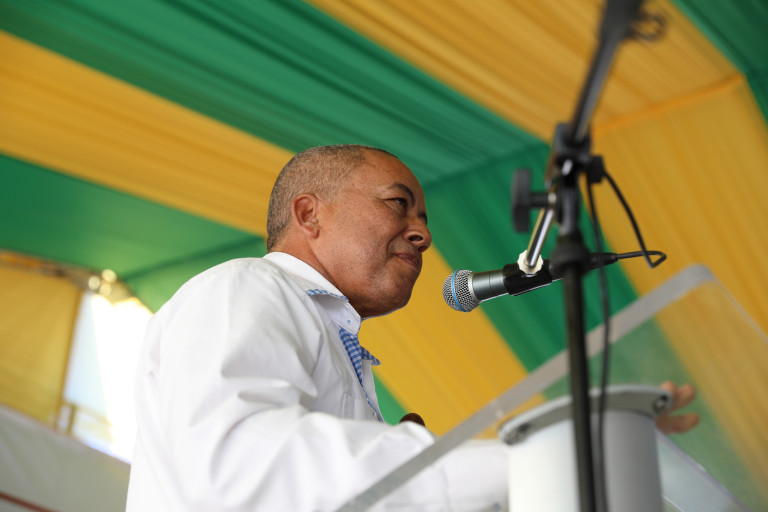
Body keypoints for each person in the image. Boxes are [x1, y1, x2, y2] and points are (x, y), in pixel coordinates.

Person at [126, 145, 698, 511]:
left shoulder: (335, 341)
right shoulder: (245, 287)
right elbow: (243, 470)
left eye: (422, 218)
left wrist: (597, 457)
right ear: (309, 214)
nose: (423, 235)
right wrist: (537, 458)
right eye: (398, 204)